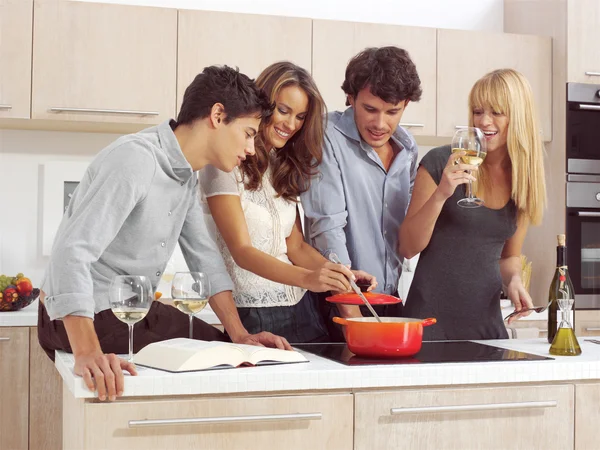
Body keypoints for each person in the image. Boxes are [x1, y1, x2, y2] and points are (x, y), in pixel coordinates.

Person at [39, 65, 292, 402]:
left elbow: (205, 257)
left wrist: (240, 335)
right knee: (222, 363)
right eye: (247, 133)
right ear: (218, 115)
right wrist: (87, 352)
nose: (250, 148)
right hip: (85, 314)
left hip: (129, 310)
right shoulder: (135, 160)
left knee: (234, 354)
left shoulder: (186, 175)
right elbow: (71, 252)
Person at [199, 61, 376, 343]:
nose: (291, 125)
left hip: (304, 310)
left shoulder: (282, 165)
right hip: (252, 314)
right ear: (264, 104)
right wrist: (308, 278)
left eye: (300, 116)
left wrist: (336, 275)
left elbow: (294, 245)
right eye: (283, 111)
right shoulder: (223, 162)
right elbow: (241, 251)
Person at [399, 68, 547, 340]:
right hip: (430, 325)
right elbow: (408, 247)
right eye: (478, 111)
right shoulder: (440, 161)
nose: (484, 121)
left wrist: (514, 280)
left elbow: (509, 256)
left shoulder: (523, 179)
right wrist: (442, 193)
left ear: (519, 117)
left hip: (487, 328)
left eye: (497, 112)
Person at [300, 47, 423, 340]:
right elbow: (327, 228)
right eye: (370, 109)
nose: (381, 124)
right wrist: (353, 317)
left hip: (388, 302)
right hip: (336, 306)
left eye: (393, 112)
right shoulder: (325, 135)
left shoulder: (408, 148)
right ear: (351, 97)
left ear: (405, 104)